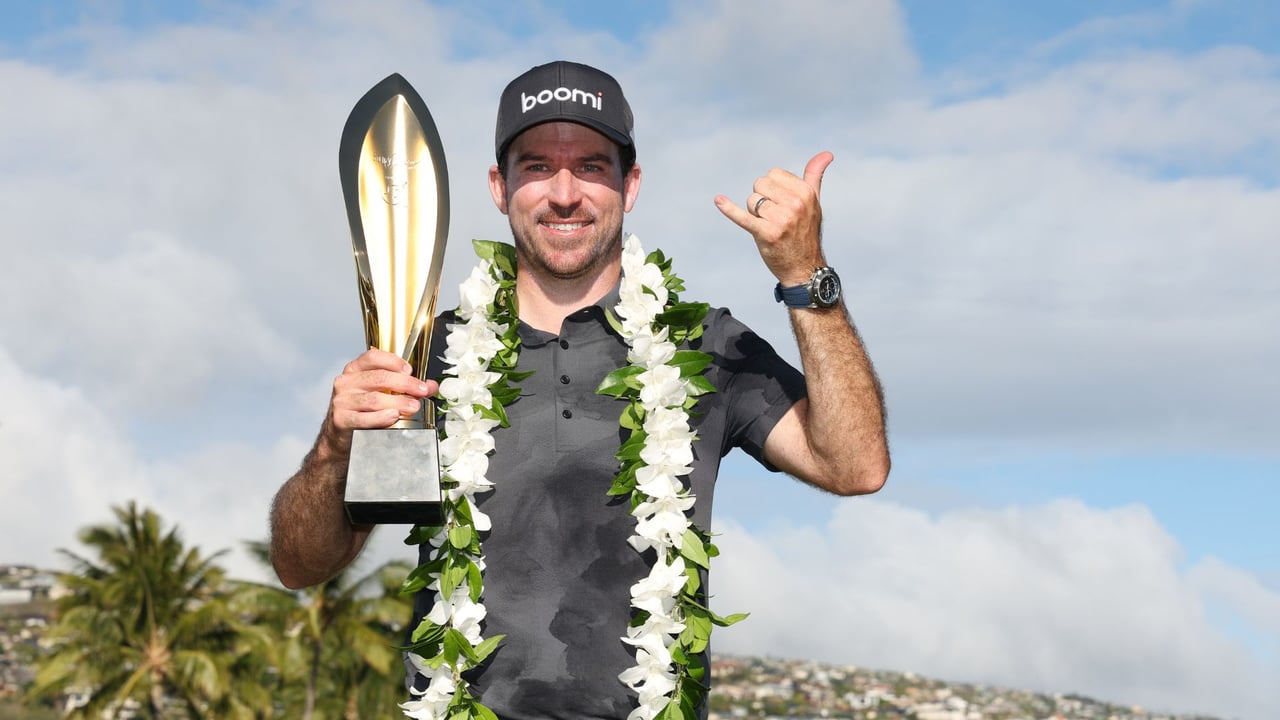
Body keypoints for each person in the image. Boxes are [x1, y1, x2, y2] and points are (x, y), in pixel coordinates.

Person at [269, 60, 889, 718]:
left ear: (632, 183)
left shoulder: (705, 345)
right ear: (498, 187)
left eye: (592, 166)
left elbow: (855, 466)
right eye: (536, 166)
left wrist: (806, 276)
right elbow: (301, 566)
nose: (564, 193)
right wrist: (335, 449)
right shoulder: (426, 356)